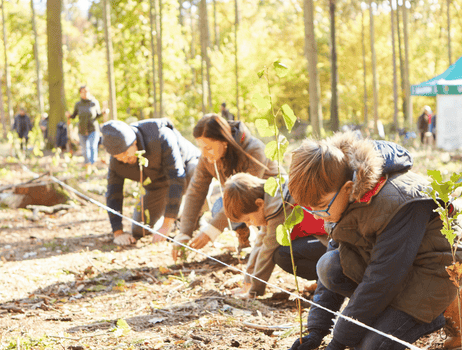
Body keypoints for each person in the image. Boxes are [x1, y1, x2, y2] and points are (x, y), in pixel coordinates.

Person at [277, 133, 462, 350]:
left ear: (348, 187)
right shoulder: (339, 195)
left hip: (434, 270)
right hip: (395, 268)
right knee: (329, 266)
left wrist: (337, 344)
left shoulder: (397, 202)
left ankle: (443, 311)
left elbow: (383, 279)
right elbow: (339, 257)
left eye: (319, 207)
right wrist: (316, 331)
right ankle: (388, 316)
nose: (318, 215)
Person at [172, 113, 279, 260]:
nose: (203, 153)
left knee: (234, 207)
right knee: (219, 206)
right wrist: (184, 232)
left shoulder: (253, 150)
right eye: (201, 147)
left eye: (208, 147)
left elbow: (246, 194)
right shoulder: (207, 158)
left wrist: (211, 230)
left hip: (270, 200)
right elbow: (196, 191)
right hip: (243, 201)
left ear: (224, 141)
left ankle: (270, 244)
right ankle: (245, 238)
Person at [222, 173, 326, 299]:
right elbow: (260, 242)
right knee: (282, 252)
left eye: (248, 219)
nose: (248, 225)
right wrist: (248, 281)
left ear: (259, 204)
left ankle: (328, 280)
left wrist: (254, 291)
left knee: (282, 255)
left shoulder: (279, 207)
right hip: (317, 239)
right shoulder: (271, 201)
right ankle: (322, 281)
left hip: (331, 241)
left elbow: (267, 251)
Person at [101, 119, 200, 245]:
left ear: (134, 142)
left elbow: (176, 177)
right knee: (140, 230)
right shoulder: (116, 162)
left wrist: (166, 224)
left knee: (196, 171)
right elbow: (113, 194)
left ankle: (196, 215)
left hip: (185, 172)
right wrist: (118, 232)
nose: (124, 159)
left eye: (126, 153)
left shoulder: (160, 135)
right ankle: (177, 213)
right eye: (118, 157)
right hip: (156, 185)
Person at [69, 85, 102, 168]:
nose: (85, 93)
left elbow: (98, 115)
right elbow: (73, 115)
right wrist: (69, 116)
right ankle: (87, 165)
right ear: (80, 93)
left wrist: (104, 112)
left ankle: (92, 164)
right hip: (82, 129)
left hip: (93, 129)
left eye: (86, 91)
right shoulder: (78, 104)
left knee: (92, 146)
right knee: (84, 149)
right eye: (82, 91)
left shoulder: (94, 102)